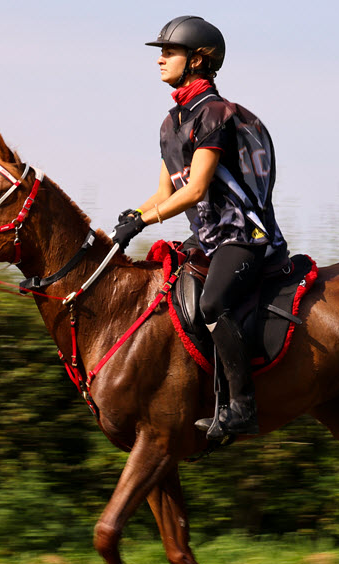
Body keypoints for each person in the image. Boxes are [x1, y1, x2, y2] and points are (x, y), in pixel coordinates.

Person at [113, 15, 289, 439]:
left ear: (196, 60)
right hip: (208, 239)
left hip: (243, 237)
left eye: (168, 52)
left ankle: (242, 407)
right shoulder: (171, 123)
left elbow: (193, 192)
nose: (160, 60)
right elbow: (163, 192)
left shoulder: (214, 114)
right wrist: (131, 217)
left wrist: (146, 221)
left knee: (212, 304)